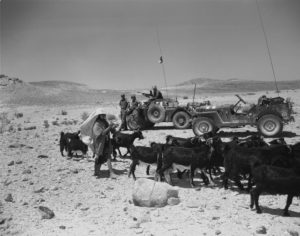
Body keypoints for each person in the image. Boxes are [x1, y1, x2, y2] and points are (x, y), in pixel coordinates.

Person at [92, 114, 118, 178]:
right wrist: (109, 127)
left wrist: (113, 127)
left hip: (106, 141)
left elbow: (109, 130)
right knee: (99, 157)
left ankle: (111, 172)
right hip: (100, 143)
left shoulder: (105, 121)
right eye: (102, 115)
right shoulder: (97, 124)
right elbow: (101, 133)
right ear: (99, 115)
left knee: (108, 156)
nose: (104, 116)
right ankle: (96, 172)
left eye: (104, 115)